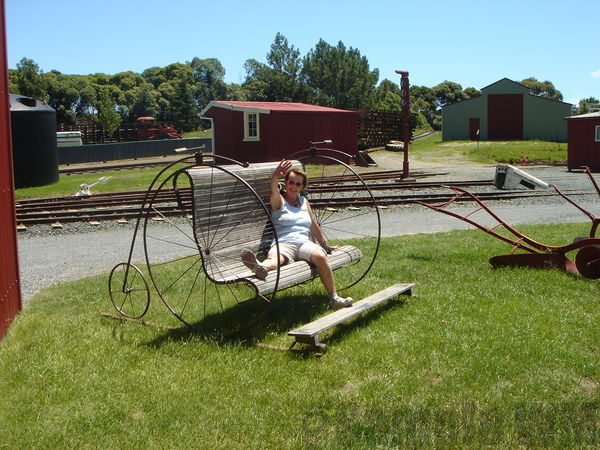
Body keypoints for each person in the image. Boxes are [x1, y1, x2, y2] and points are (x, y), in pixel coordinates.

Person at [241, 159, 353, 309]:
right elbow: (274, 189)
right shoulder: (279, 201)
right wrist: (275, 175)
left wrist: (325, 246)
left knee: (320, 256)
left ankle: (334, 298)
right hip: (283, 242)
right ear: (286, 183)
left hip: (303, 243)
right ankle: (259, 266)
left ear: (302, 187)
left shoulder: (304, 202)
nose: (293, 186)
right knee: (276, 258)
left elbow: (313, 225)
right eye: (291, 182)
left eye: (298, 184)